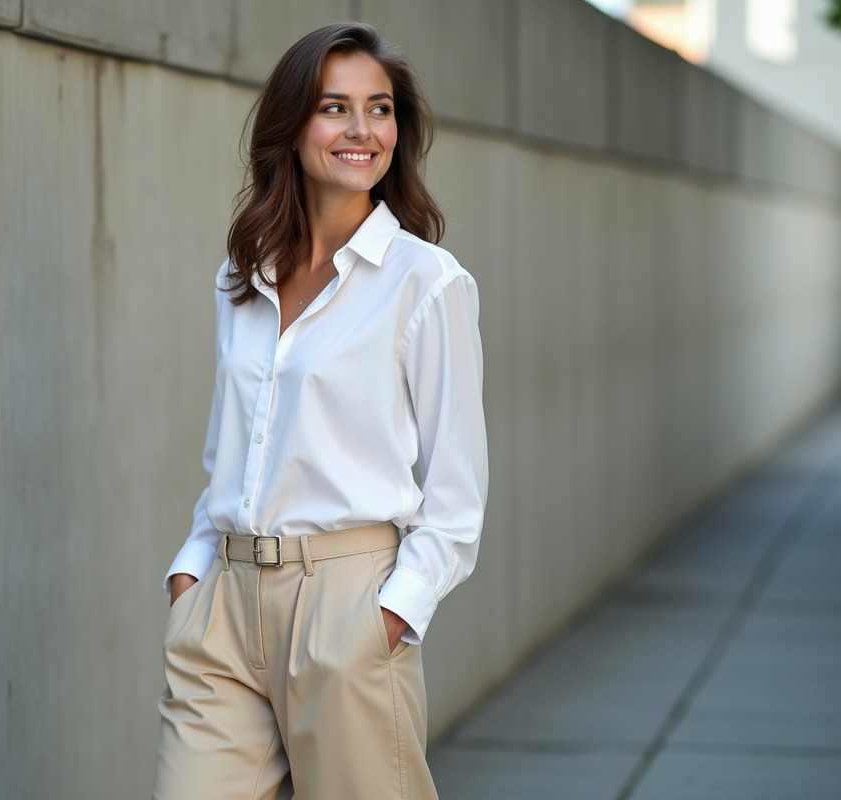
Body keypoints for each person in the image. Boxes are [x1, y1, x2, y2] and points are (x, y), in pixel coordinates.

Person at [153, 22, 488, 800]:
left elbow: (456, 496)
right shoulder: (244, 274)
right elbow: (232, 450)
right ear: (292, 124)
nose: (361, 130)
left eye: (379, 109)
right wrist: (191, 572)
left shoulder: (426, 283)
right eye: (335, 107)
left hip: (347, 607)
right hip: (224, 612)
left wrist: (387, 620)